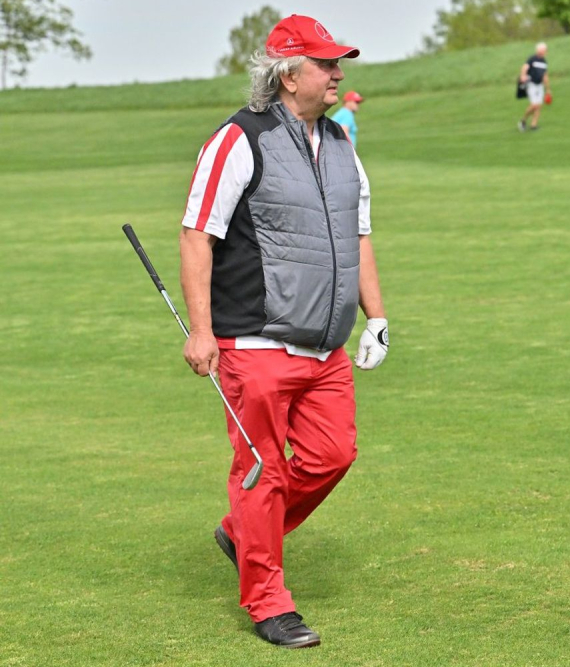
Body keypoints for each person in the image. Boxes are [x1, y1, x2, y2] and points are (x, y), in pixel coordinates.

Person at [178, 13, 389, 649]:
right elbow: (197, 234)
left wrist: (376, 316)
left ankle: (243, 532)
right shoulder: (239, 138)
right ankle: (268, 600)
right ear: (289, 73)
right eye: (327, 64)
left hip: (325, 347)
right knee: (262, 472)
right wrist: (201, 330)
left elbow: (360, 238)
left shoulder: (345, 147)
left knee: (334, 455)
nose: (338, 74)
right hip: (255, 341)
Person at [518, 42, 551, 132]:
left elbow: (545, 75)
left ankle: (534, 125)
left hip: (540, 85)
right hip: (531, 84)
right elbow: (524, 67)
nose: (546, 51)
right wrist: (523, 75)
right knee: (534, 105)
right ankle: (523, 120)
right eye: (544, 50)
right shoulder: (532, 59)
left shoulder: (544, 62)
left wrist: (548, 89)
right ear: (540, 50)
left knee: (539, 106)